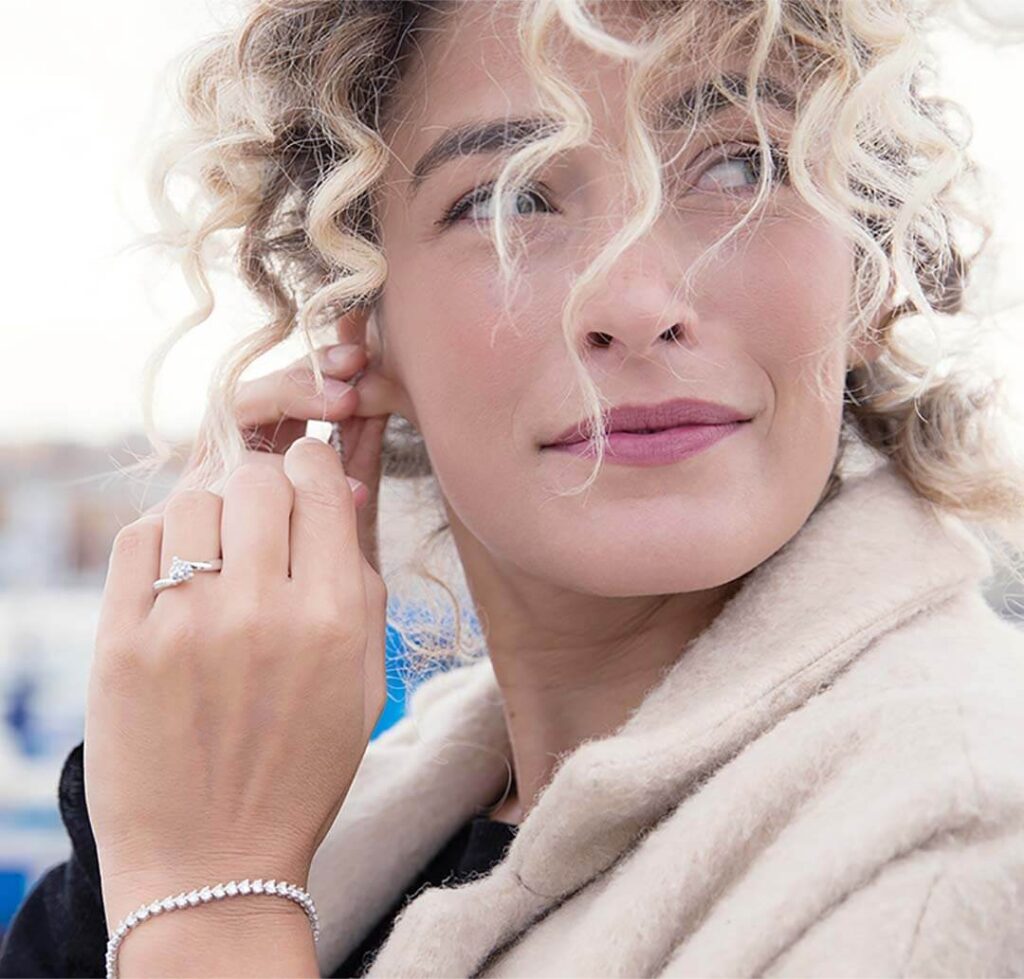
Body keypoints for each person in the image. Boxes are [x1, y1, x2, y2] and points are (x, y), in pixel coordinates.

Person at [3, 0, 1024, 975]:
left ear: (868, 270)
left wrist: (211, 917)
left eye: (742, 165)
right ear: (362, 317)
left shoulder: (969, 843)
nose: (634, 301)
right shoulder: (370, 817)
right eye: (508, 198)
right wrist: (157, 833)